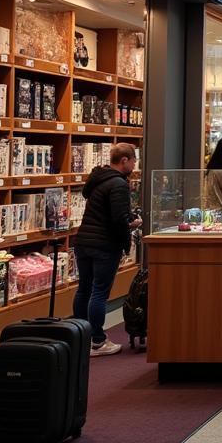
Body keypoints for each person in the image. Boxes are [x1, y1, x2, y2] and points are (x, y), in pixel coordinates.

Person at [72, 143, 142, 357]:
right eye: (133, 161)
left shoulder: (98, 179)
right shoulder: (118, 184)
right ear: (124, 161)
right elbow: (118, 218)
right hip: (104, 245)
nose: (134, 165)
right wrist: (132, 225)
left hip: (84, 241)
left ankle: (79, 337)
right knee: (99, 292)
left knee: (84, 289)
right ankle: (97, 341)